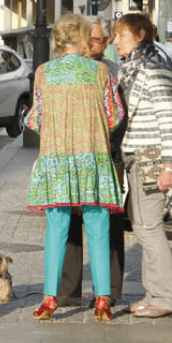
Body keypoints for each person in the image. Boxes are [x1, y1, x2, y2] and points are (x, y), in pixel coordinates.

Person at [24, 13, 124, 323]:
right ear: (82, 38)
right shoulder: (99, 72)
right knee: (98, 226)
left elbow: (34, 119)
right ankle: (103, 299)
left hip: (57, 159)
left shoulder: (43, 73)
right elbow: (115, 115)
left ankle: (49, 299)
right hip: (92, 156)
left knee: (56, 229)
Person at [112, 12, 172, 318]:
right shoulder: (133, 68)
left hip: (150, 157)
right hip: (135, 156)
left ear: (140, 35)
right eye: (114, 36)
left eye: (121, 36)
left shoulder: (154, 68)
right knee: (143, 226)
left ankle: (166, 297)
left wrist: (170, 165)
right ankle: (154, 294)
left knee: (149, 228)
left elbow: (169, 117)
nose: (115, 42)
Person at [57, 16, 127, 309]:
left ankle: (108, 291)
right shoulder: (67, 70)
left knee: (108, 223)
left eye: (99, 40)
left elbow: (120, 116)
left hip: (106, 154)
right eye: (92, 39)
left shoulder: (113, 72)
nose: (95, 44)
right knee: (71, 223)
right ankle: (68, 292)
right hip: (72, 155)